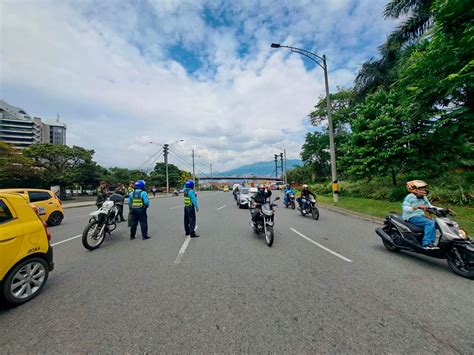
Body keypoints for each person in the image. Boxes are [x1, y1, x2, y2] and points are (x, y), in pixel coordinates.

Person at [402, 180, 439, 250]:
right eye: (421, 188)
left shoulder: (423, 197)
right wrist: (417, 207)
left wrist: (444, 209)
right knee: (430, 223)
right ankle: (427, 243)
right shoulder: (409, 197)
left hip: (421, 216)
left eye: (424, 187)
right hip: (411, 216)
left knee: (438, 223)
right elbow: (405, 208)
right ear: (413, 188)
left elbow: (430, 206)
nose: (423, 189)